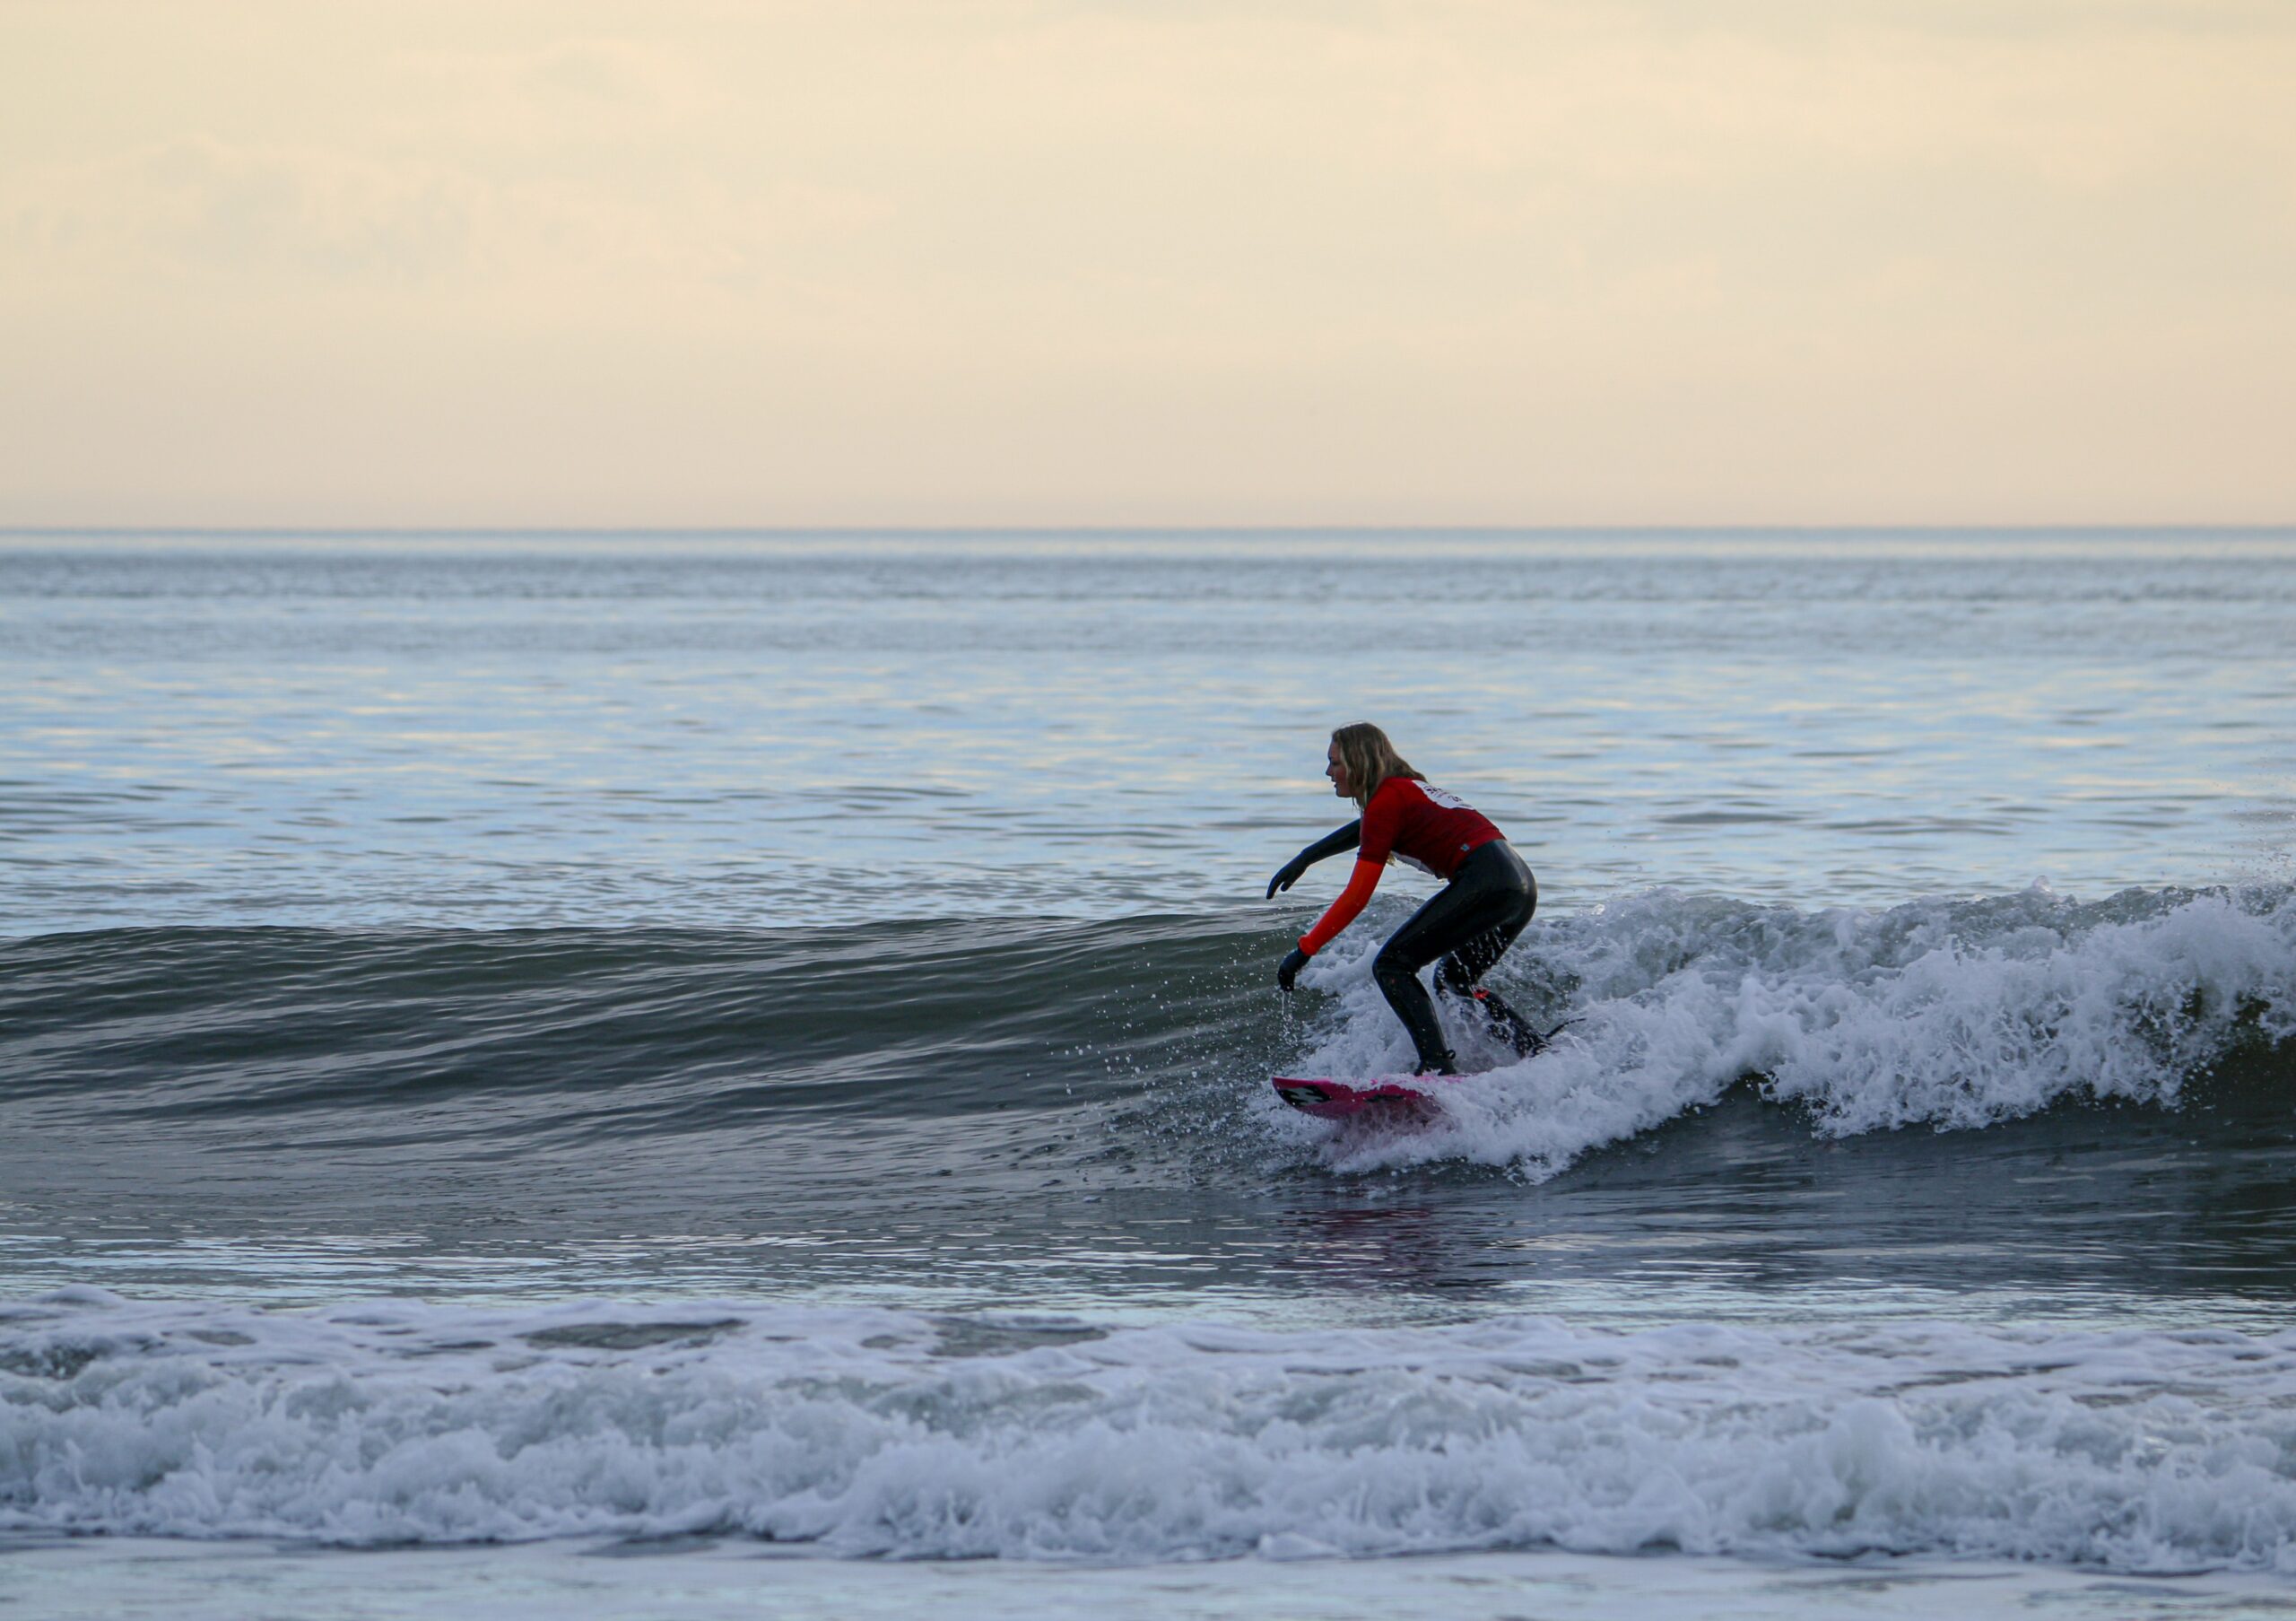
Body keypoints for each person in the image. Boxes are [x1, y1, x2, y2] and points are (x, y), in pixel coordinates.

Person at [1267, 722, 1548, 1076]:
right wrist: (1307, 856)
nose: (1328, 772)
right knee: (1454, 982)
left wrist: (1304, 950)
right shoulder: (1403, 791)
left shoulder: (1388, 800)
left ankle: (1437, 1067)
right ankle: (1535, 1049)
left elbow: (1356, 896)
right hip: (1518, 887)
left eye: (1335, 763)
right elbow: (1365, 829)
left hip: (1485, 881)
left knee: (1392, 965)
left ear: (1358, 764)